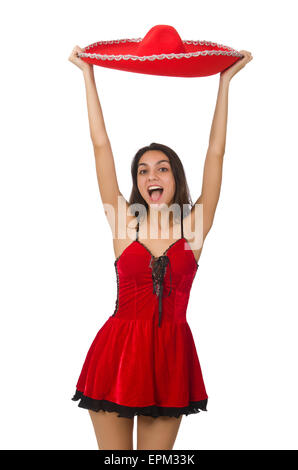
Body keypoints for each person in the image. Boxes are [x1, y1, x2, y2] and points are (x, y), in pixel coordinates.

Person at [68, 45, 253, 450]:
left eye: (162, 168)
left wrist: (224, 84)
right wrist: (88, 76)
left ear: (174, 178)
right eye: (143, 170)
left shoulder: (195, 230)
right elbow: (101, 147)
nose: (152, 175)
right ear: (137, 182)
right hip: (116, 356)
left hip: (169, 360)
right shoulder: (123, 223)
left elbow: (216, 154)